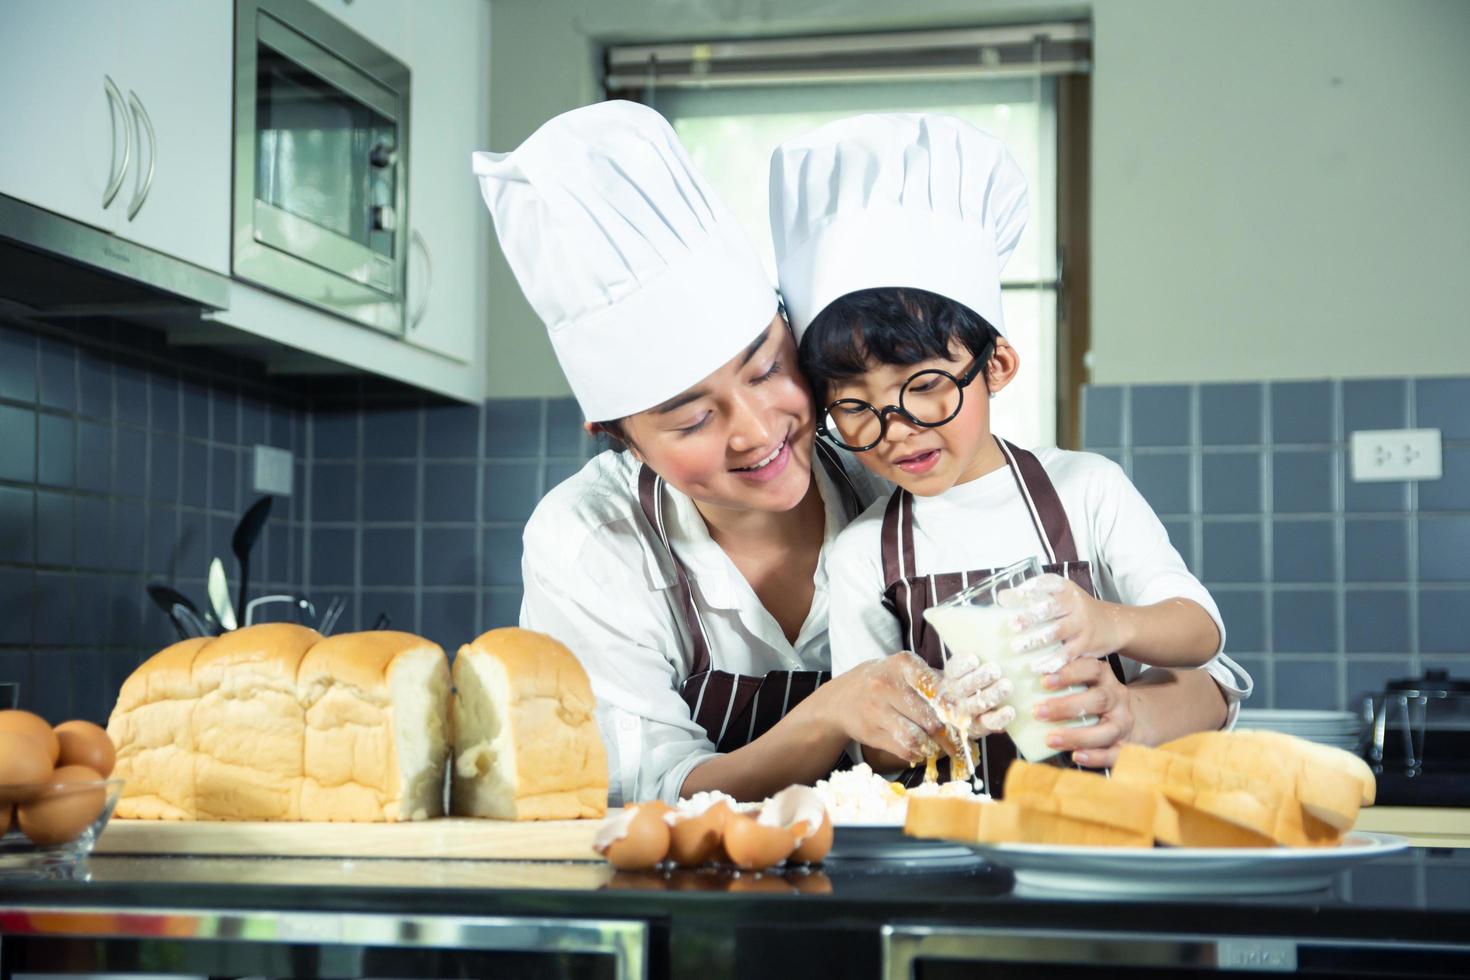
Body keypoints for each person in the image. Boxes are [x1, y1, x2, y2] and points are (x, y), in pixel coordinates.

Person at [474, 101, 957, 805]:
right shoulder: (591, 543)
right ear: (616, 433)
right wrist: (826, 716)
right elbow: (646, 789)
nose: (757, 430)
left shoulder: (894, 480)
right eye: (693, 418)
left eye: (766, 369)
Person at [769, 113, 1251, 788]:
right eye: (854, 407)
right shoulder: (863, 555)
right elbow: (871, 754)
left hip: (1110, 826)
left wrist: (1102, 622)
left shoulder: (1086, 488)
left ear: (996, 366)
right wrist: (931, 714)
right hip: (951, 852)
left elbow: (1201, 635)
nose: (896, 429)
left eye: (927, 387)